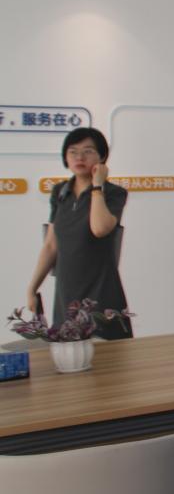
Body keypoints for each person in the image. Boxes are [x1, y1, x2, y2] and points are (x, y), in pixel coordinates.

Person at [25, 127, 132, 339]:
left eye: (88, 151)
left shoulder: (114, 193)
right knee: (67, 351)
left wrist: (97, 186)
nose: (79, 157)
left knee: (108, 354)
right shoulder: (60, 192)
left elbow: (99, 228)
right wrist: (32, 288)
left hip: (101, 290)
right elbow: (51, 246)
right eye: (73, 151)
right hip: (66, 291)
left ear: (102, 157)